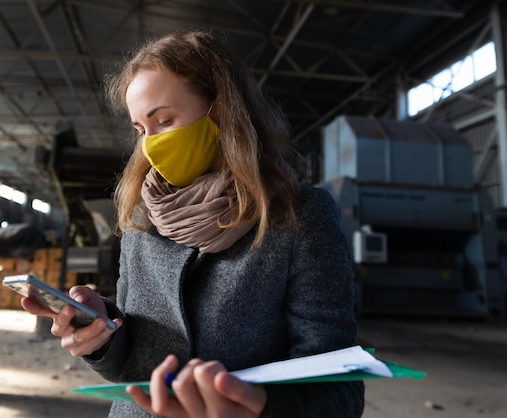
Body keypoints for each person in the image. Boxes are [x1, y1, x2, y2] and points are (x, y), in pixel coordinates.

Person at [22, 30, 365, 417]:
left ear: (220, 111)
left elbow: (339, 386)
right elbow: (133, 358)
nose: (150, 144)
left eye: (164, 120)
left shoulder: (297, 215)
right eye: (140, 130)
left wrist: (262, 410)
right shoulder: (140, 213)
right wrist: (101, 333)